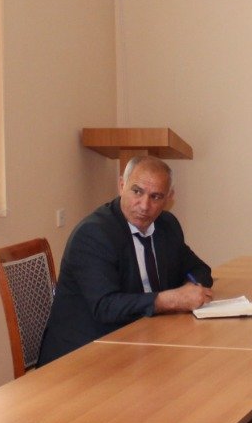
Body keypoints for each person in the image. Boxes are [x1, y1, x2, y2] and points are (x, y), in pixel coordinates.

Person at [37, 156, 213, 365]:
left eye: (156, 197)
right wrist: (169, 300)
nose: (144, 205)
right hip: (82, 355)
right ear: (122, 186)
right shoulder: (94, 234)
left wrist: (189, 289)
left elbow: (199, 270)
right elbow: (106, 306)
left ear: (169, 198)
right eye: (137, 191)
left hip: (140, 340)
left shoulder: (167, 225)